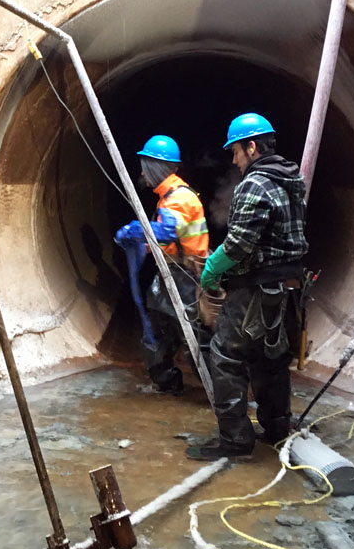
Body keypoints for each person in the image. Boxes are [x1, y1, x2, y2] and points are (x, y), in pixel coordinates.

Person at [186, 113, 308, 460]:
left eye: (236, 152)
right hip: (289, 290)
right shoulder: (292, 178)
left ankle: (236, 442)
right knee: (271, 359)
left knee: (227, 356)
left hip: (256, 291)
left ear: (252, 147)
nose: (235, 160)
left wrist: (212, 269)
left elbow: (240, 245)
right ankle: (276, 429)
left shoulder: (254, 184)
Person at [115, 134, 209, 395]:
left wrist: (135, 230)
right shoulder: (167, 196)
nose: (142, 172)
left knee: (195, 341)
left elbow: (168, 231)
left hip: (187, 278)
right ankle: (166, 384)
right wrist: (142, 245)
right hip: (170, 275)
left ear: (156, 167)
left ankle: (223, 395)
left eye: (145, 166)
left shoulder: (179, 198)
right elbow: (168, 239)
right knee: (156, 334)